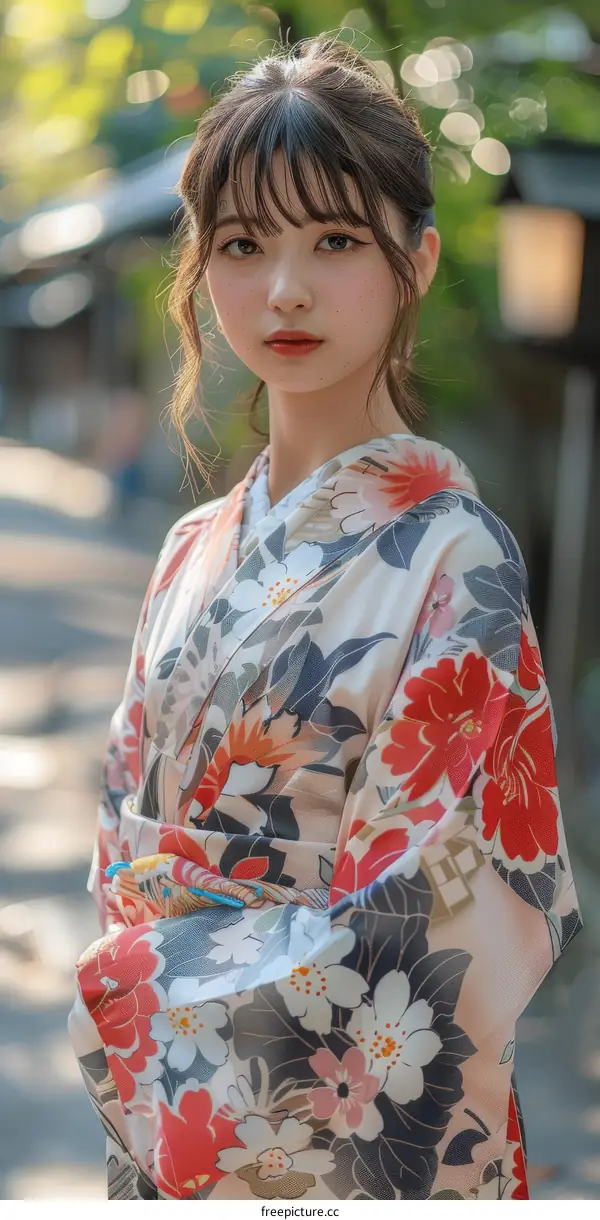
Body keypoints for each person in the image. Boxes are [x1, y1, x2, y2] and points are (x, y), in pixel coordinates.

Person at [68, 37, 581, 1201]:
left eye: (336, 240)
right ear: (202, 271)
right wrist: (138, 987)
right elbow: (122, 844)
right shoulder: (194, 545)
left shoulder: (457, 555)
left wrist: (149, 989)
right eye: (244, 245)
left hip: (341, 1112)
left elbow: (440, 916)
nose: (284, 288)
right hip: (163, 1104)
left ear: (419, 259)